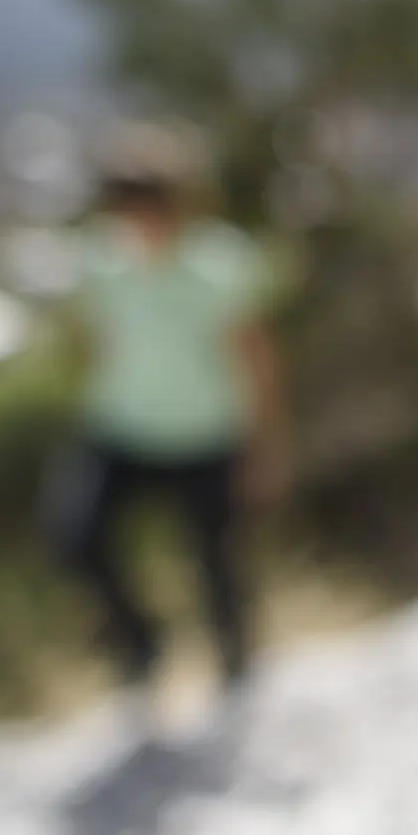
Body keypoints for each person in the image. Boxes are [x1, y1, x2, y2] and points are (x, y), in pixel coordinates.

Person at [53, 123, 289, 700]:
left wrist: (266, 445)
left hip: (206, 435)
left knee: (216, 561)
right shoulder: (99, 258)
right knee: (75, 535)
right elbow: (98, 337)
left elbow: (256, 358)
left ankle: (236, 666)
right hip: (121, 429)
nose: (141, 222)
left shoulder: (222, 263)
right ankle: (142, 644)